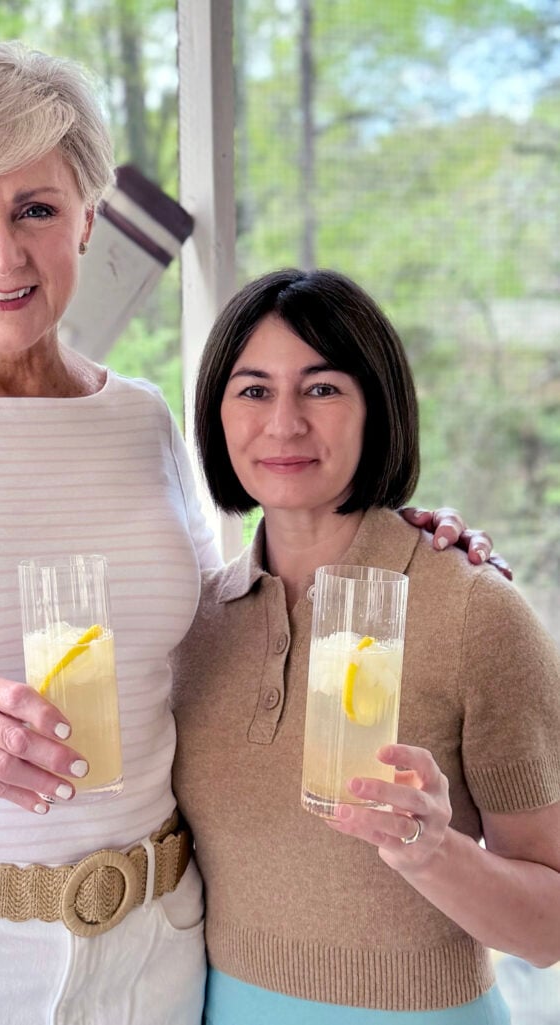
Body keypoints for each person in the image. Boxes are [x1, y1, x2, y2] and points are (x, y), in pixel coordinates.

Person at [0, 42, 500, 1025]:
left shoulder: (141, 418)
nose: (2, 255)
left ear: (89, 216)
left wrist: (381, 534)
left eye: (35, 208)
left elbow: (207, 645)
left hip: (150, 953)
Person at [170, 267, 560, 1024]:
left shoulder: (477, 612)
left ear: (375, 409)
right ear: (216, 416)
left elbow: (550, 929)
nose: (283, 424)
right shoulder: (195, 626)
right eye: (253, 390)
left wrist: (429, 851)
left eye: (322, 389)